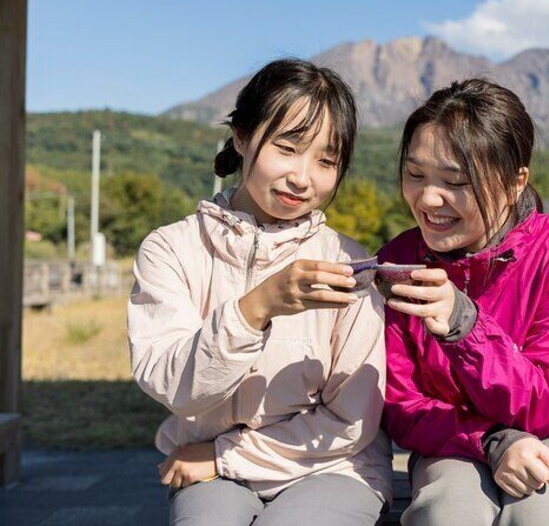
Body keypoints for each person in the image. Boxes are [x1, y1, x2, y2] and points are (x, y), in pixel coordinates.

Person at [128, 58, 392, 526]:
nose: (303, 177)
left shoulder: (351, 265)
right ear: (242, 137)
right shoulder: (171, 248)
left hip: (332, 467)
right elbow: (176, 390)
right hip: (212, 467)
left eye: (326, 161)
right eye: (288, 148)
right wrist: (255, 309)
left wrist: (224, 454)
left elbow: (352, 420)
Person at [377, 78, 549, 525]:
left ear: (516, 182)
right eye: (415, 174)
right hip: (456, 440)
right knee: (446, 514)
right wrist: (492, 440)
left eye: (456, 181)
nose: (428, 198)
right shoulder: (399, 261)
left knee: (544, 514)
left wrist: (463, 325)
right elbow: (402, 404)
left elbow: (547, 402)